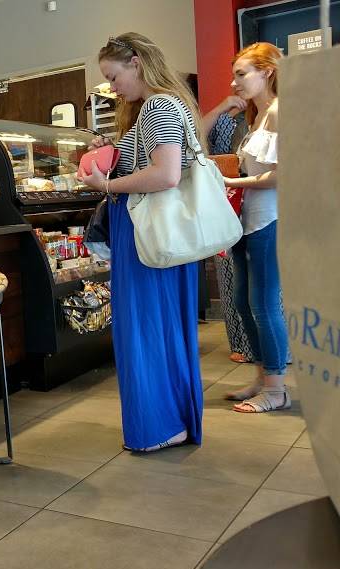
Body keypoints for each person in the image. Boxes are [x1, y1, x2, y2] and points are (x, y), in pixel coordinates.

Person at [80, 33, 204, 452]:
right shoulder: (163, 106)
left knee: (145, 328)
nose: (112, 88)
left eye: (113, 77)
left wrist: (106, 184)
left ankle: (161, 425)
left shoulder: (157, 106)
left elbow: (165, 174)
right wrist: (114, 152)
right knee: (162, 327)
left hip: (144, 235)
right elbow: (157, 164)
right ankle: (171, 420)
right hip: (152, 233)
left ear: (136, 62)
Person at [217, 42, 289, 413]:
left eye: (241, 74)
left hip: (269, 220)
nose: (235, 82)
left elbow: (282, 174)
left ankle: (276, 389)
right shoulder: (255, 116)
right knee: (245, 303)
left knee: (263, 305)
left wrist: (230, 182)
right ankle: (262, 379)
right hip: (246, 221)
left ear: (268, 71)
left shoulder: (279, 112)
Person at [202, 95, 255, 364]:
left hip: (260, 204)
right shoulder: (227, 120)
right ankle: (243, 345)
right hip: (228, 204)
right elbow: (195, 135)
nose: (236, 84)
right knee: (231, 276)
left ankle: (265, 347)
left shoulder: (273, 115)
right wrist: (223, 107)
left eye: (242, 76)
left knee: (264, 283)